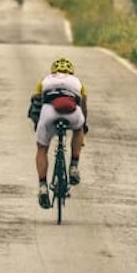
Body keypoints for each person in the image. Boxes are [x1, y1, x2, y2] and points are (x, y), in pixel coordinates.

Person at [28, 56, 87, 209]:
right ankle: (73, 165)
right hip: (72, 113)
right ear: (71, 72)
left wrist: (38, 128)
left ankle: (42, 186)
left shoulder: (44, 81)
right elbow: (84, 106)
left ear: (53, 71)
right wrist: (83, 129)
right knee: (79, 128)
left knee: (42, 149)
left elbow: (36, 104)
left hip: (49, 113)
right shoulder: (78, 82)